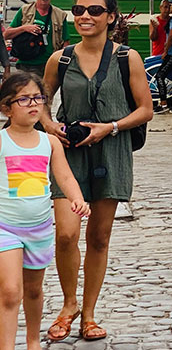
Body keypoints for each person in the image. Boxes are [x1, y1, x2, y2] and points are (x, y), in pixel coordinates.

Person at [38, 0, 154, 341]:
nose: (85, 16)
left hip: (111, 153)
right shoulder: (61, 58)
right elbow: (40, 99)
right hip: (68, 154)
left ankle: (88, 313)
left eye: (94, 10)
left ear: (111, 16)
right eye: (78, 9)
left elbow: (146, 109)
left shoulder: (127, 58)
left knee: (99, 237)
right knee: (66, 234)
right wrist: (48, 126)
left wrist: (110, 127)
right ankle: (68, 304)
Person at [0, 72, 89, 350]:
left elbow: (64, 177)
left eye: (38, 98)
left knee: (34, 290)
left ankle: (33, 341)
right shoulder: (2, 141)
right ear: (6, 108)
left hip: (39, 229)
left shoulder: (48, 142)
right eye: (23, 99)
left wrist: (78, 199)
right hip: (6, 228)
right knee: (11, 290)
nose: (32, 104)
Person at [5, 0, 69, 77]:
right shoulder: (24, 11)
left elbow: (66, 42)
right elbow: (6, 35)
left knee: (46, 92)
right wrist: (24, 28)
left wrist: (59, 60)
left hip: (49, 65)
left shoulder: (60, 15)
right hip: (25, 64)